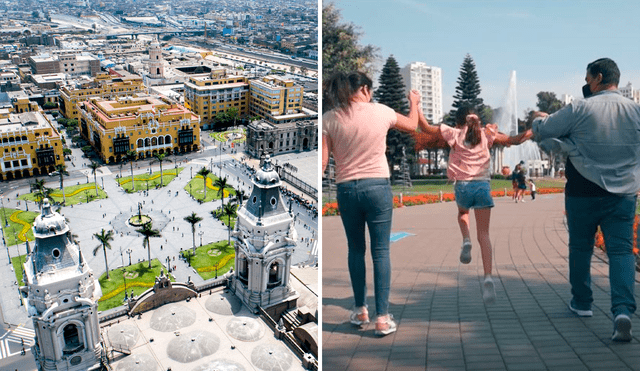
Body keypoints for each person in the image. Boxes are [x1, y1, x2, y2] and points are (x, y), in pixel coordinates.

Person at [530, 58, 640, 342]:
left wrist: (537, 118)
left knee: (580, 247)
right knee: (621, 251)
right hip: (624, 193)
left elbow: (544, 130)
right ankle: (623, 311)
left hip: (582, 190)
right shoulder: (636, 111)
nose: (586, 83)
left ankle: (582, 303)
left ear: (598, 77)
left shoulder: (580, 107)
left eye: (588, 78)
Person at [322, 71, 421, 336]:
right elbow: (413, 125)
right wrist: (414, 102)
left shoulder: (330, 118)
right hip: (377, 187)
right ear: (365, 89)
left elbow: (322, 163)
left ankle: (359, 310)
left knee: (355, 250)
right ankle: (382, 318)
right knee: (380, 252)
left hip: (346, 190)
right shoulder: (382, 112)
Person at [417, 106, 532, 304]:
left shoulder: (454, 133)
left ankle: (466, 240)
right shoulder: (487, 135)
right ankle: (488, 277)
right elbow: (514, 139)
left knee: (463, 213)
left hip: (463, 187)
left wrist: (416, 104)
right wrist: (535, 129)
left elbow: (425, 127)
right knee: (485, 235)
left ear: (459, 122)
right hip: (482, 187)